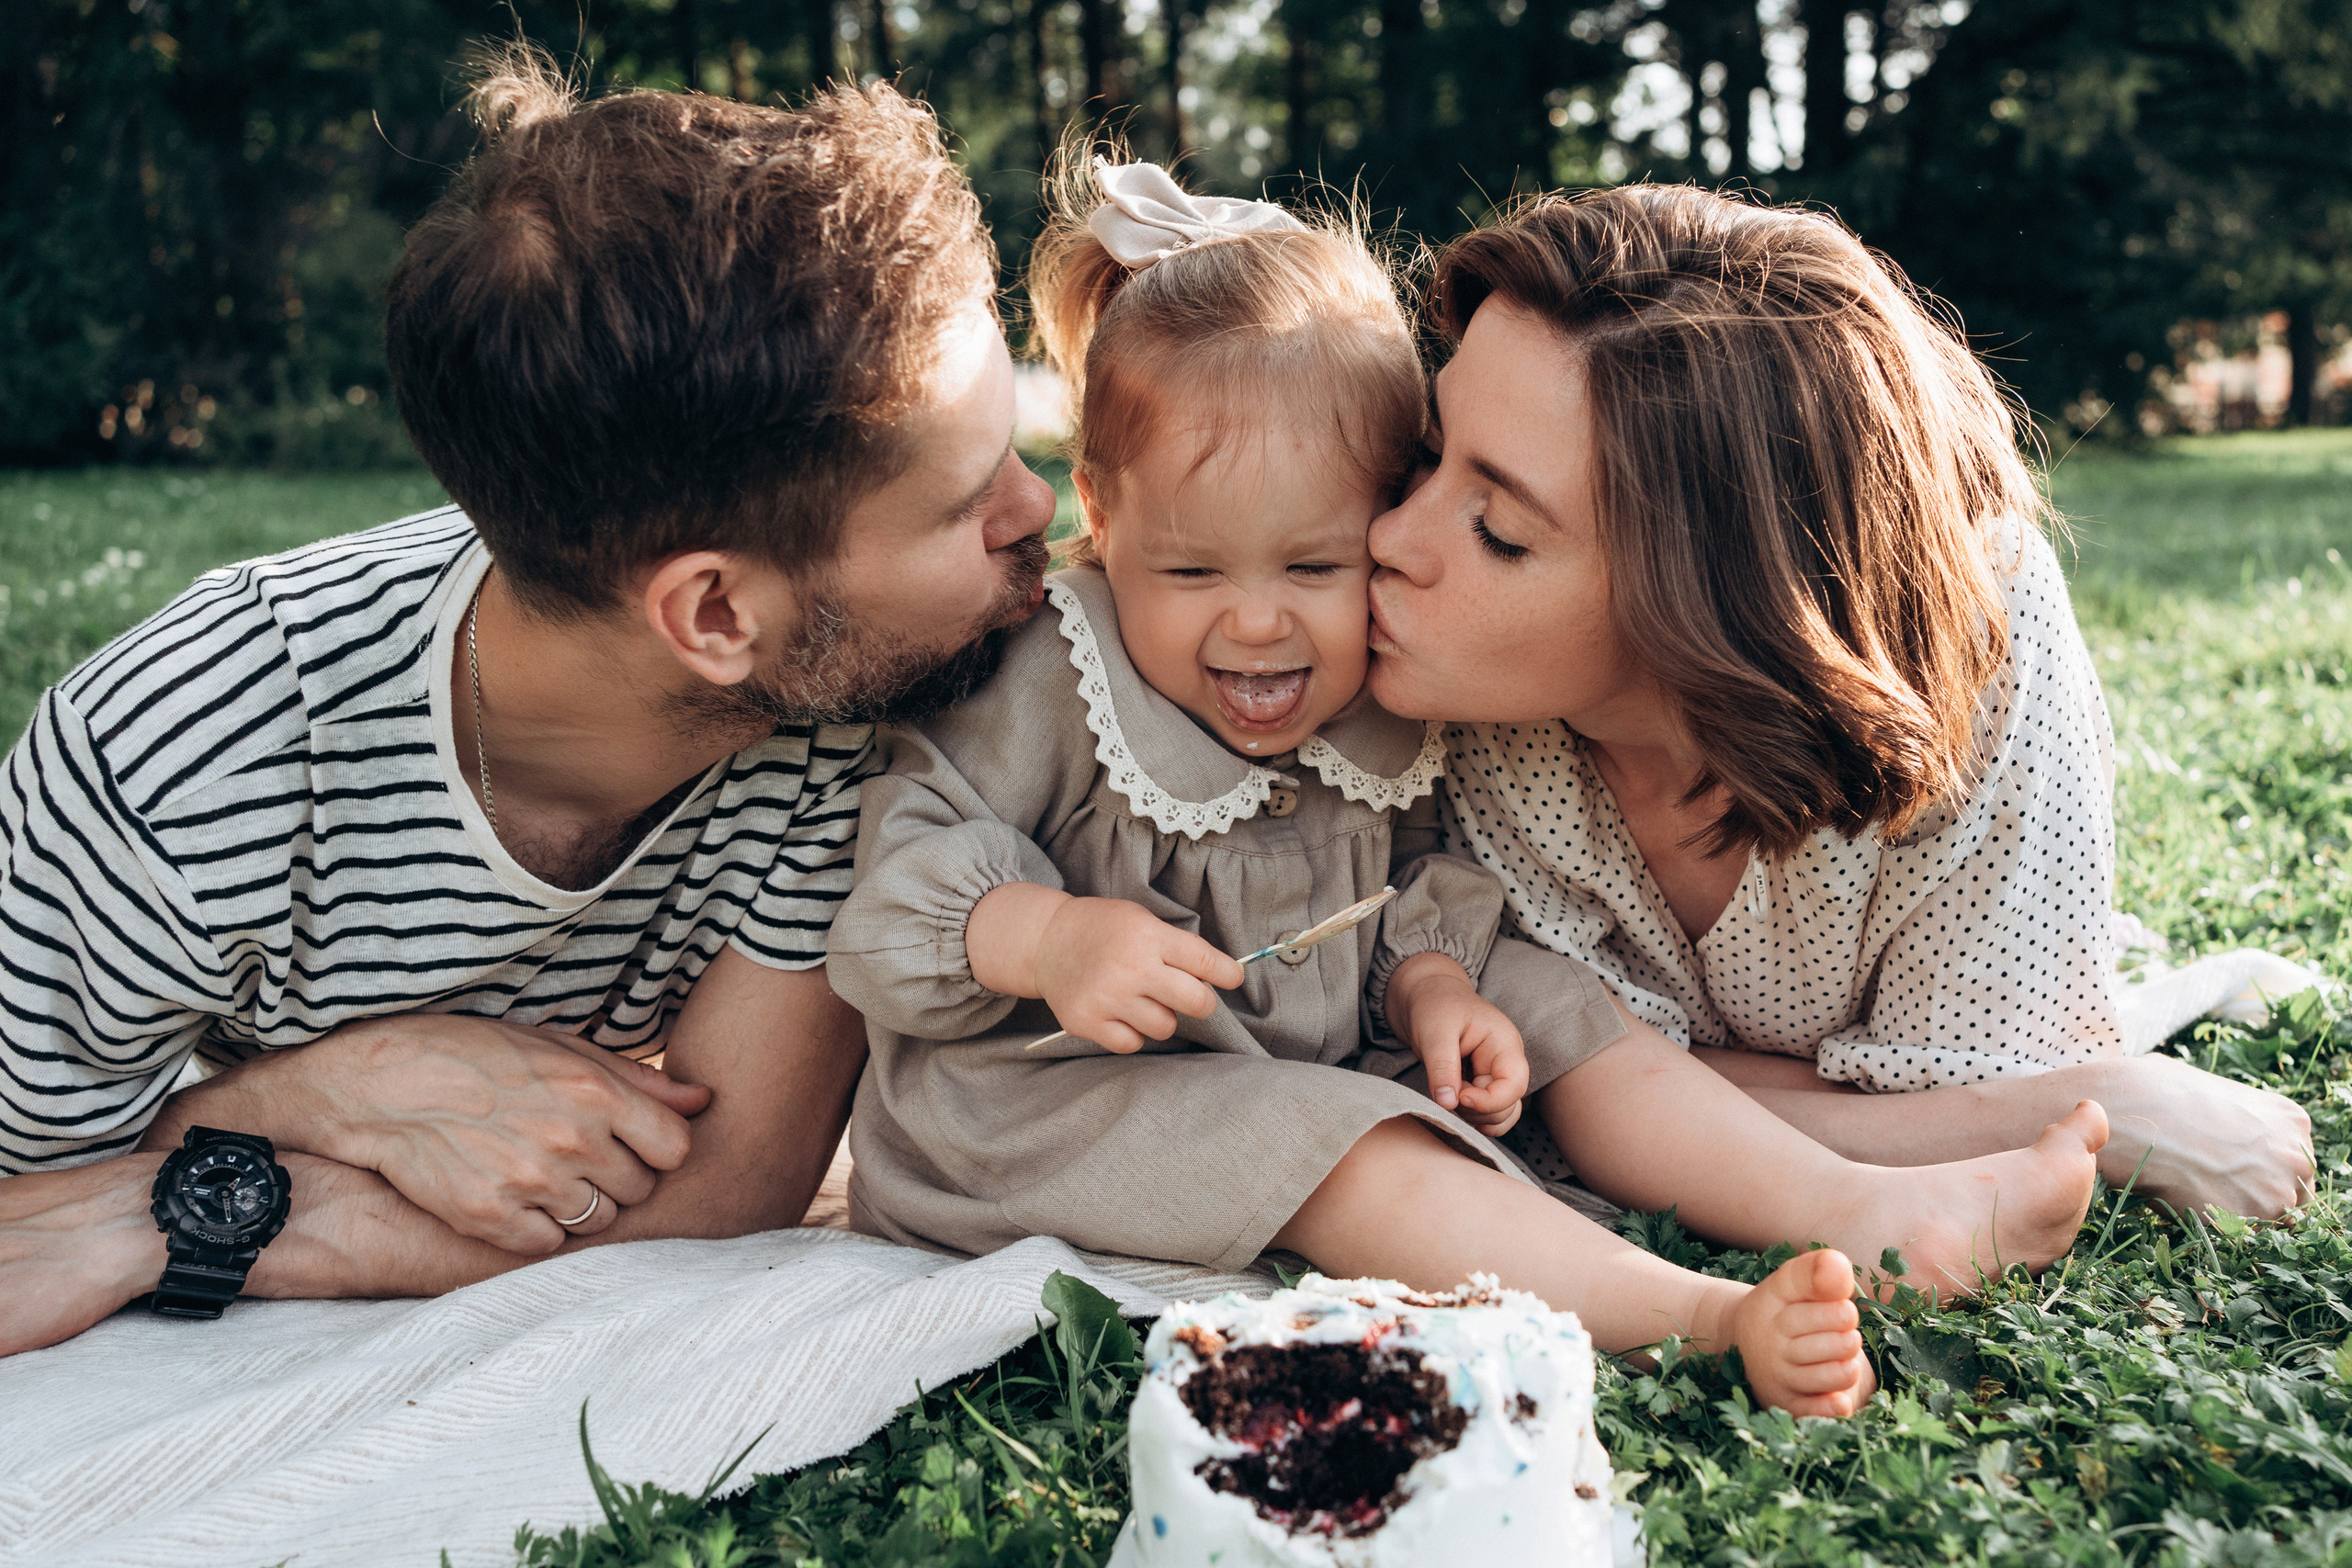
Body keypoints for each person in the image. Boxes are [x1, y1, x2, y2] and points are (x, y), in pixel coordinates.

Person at [828, 155, 2108, 1418]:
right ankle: (1700, 1315)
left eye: (1326, 553)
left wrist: (1437, 982)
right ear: (1105, 517)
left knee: (1551, 1004)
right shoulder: (1067, 670)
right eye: (1418, 468)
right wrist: (1045, 933)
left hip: (1311, 1053)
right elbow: (890, 888)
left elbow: (1402, 890)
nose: (1369, 558)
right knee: (1349, 1138)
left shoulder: (1379, 693)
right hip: (1047, 1100)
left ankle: (1862, 1209)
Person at [0, 62, 1055, 1357]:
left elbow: (728, 1185)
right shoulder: (180, 768)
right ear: (716, 614)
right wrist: (343, 1087)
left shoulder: (858, 703)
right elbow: (20, 1201)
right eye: (963, 504)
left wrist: (265, 1180)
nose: (1038, 509)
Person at [1363, 185, 2315, 1225]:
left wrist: (1655, 1087)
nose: (1388, 540)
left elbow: (1974, 1080)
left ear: (1715, 601)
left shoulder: (1979, 639)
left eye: (1497, 529)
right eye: (1424, 455)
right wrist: (2114, 1112)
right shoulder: (1454, 692)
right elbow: (1551, 1093)